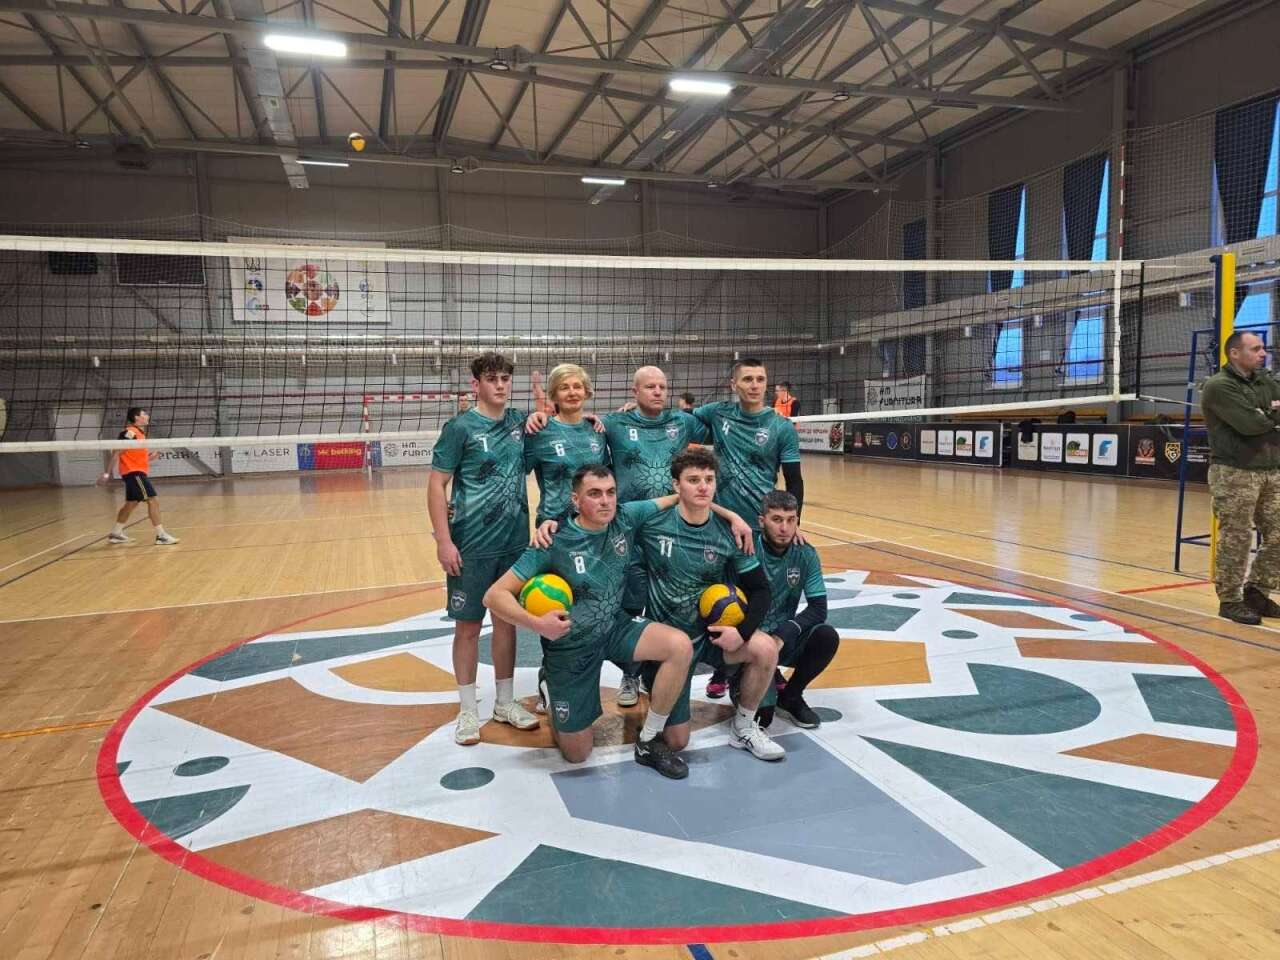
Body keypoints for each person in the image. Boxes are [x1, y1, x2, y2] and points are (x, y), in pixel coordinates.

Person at [484, 466, 696, 779]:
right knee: (577, 754)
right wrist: (537, 624)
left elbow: (680, 497)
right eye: (594, 494)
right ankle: (551, 688)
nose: (605, 501)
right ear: (575, 499)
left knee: (679, 646)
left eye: (610, 492)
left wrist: (732, 518)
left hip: (614, 627)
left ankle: (650, 738)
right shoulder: (553, 541)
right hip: (571, 645)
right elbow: (494, 596)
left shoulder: (625, 516)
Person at [636, 447, 784, 761]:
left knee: (766, 648)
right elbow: (610, 516)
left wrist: (741, 633)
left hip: (710, 638)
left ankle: (743, 728)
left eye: (709, 479)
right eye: (693, 480)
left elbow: (760, 590)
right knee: (677, 741)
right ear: (676, 485)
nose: (703, 486)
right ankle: (650, 684)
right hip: (669, 645)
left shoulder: (730, 533)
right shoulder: (653, 524)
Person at [428, 352, 540, 745]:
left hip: (514, 543)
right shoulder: (459, 428)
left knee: (507, 623)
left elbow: (557, 424)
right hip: (471, 544)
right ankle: (467, 710)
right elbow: (436, 484)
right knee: (469, 627)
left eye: (506, 379)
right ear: (476, 384)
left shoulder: (519, 423)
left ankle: (505, 702)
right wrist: (444, 540)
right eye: (492, 379)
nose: (501, 385)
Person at [600, 366, 710, 706]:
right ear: (634, 392)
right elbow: (581, 428)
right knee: (632, 603)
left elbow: (718, 420)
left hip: (673, 529)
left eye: (663, 386)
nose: (658, 392)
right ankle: (630, 675)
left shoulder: (683, 422)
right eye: (650, 387)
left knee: (671, 603)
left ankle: (664, 670)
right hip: (631, 529)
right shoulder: (614, 423)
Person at [694, 359, 803, 698]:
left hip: (763, 527)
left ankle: (770, 663)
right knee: (723, 598)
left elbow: (795, 481)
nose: (755, 385)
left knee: (768, 600)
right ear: (734, 384)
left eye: (760, 379)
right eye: (747, 379)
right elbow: (677, 419)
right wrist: (631, 408)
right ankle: (723, 668)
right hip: (724, 526)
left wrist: (794, 523)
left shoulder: (781, 427)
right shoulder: (717, 414)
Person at [1201, 330, 1280, 625]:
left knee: (1278, 533)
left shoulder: (1266, 381)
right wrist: (1269, 417)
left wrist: (1265, 415)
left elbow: (1262, 419)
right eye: (1255, 349)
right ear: (1234, 353)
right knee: (1237, 536)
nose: (1263, 353)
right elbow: (1250, 424)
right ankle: (1230, 599)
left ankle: (1257, 592)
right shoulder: (1219, 386)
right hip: (1235, 472)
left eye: (1262, 348)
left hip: (1272, 470)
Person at [750, 491, 837, 729]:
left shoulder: (805, 553)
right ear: (761, 521)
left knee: (826, 636)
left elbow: (818, 609)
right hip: (749, 642)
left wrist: (784, 633)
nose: (784, 528)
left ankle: (791, 696)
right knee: (762, 718)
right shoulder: (746, 548)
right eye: (777, 520)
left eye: (791, 520)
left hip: (782, 640)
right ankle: (736, 676)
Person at [523, 364, 608, 527]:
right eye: (564, 387)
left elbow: (605, 479)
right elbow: (518, 473)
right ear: (554, 395)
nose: (572, 392)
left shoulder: (597, 430)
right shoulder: (539, 432)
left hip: (593, 524)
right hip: (554, 526)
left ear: (586, 392)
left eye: (577, 386)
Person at [100, 407, 179, 545]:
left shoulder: (141, 434)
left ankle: (116, 534)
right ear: (137, 417)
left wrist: (150, 457)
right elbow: (117, 452)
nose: (147, 416)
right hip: (134, 473)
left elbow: (133, 456)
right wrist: (106, 474)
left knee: (131, 503)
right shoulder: (131, 432)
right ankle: (161, 536)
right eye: (144, 414)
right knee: (152, 500)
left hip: (134, 472)